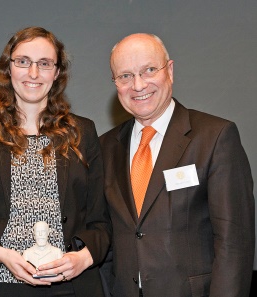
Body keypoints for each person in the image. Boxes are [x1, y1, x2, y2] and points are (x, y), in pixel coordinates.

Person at [0, 26, 110, 297]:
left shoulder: (82, 132)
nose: (33, 73)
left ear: (57, 72)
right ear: (8, 68)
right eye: (23, 62)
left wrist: (83, 259)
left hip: (72, 287)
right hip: (1, 286)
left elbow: (101, 222)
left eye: (45, 64)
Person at [99, 33, 255, 296]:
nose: (138, 85)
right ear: (115, 83)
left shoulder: (215, 137)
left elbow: (234, 243)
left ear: (169, 71)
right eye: (125, 76)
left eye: (149, 70)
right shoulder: (105, 148)